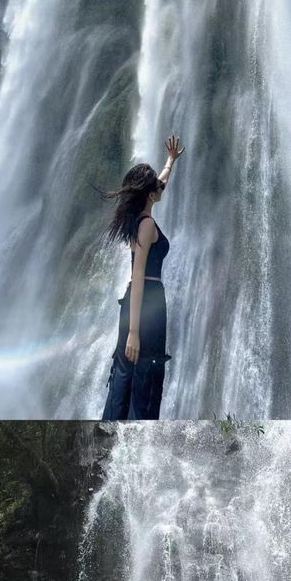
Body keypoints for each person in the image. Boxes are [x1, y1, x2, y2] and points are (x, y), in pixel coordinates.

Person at [101, 136, 184, 420]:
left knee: (127, 368)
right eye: (155, 188)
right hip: (146, 303)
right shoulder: (146, 225)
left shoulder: (139, 218)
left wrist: (170, 161)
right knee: (144, 366)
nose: (160, 189)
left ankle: (119, 417)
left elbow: (160, 182)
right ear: (150, 195)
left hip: (137, 303)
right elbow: (137, 277)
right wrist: (134, 332)